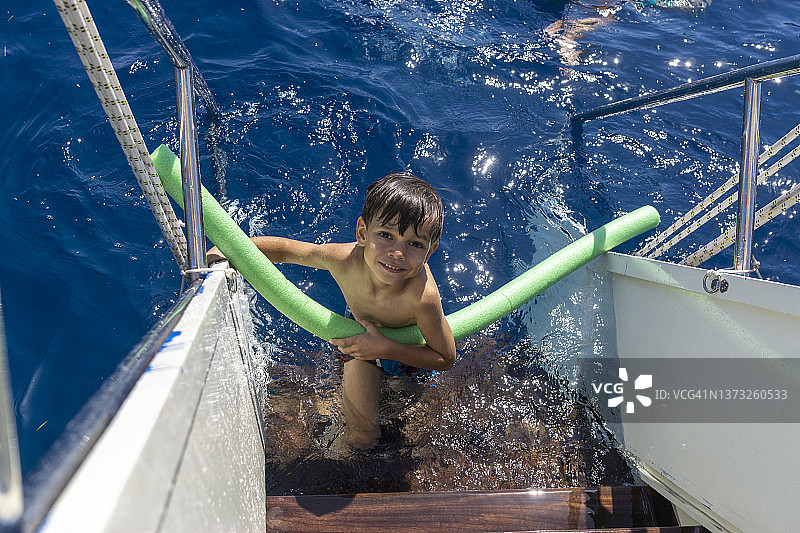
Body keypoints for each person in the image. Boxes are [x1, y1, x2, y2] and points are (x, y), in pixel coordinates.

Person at [207, 173, 457, 449]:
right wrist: (231, 250)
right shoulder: (344, 260)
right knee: (363, 437)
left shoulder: (422, 298)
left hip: (404, 355)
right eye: (386, 235)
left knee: (402, 423)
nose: (398, 253)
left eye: (414, 244)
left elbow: (444, 356)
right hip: (359, 346)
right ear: (363, 233)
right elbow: (289, 251)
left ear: (429, 252)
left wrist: (385, 348)